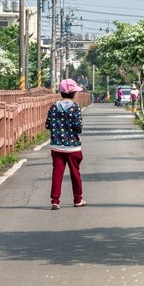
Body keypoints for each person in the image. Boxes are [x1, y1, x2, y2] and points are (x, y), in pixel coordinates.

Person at [45, 79, 86, 209]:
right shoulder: (75, 108)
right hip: (73, 147)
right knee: (75, 173)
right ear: (73, 93)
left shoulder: (53, 107)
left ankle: (55, 201)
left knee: (57, 173)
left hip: (56, 146)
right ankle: (78, 200)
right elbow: (78, 127)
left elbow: (48, 124)